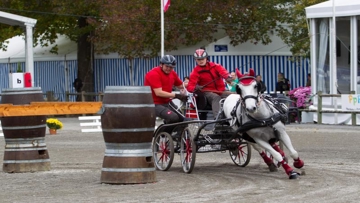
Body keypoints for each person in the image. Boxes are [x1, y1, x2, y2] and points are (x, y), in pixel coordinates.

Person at [187, 48, 232, 120]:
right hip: (206, 92)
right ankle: (218, 120)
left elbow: (224, 73)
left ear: (206, 58)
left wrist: (228, 77)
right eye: (198, 59)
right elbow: (189, 87)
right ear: (195, 60)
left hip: (221, 91)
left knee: (234, 95)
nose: (201, 61)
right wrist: (196, 87)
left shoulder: (215, 66)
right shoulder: (195, 72)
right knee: (216, 98)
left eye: (202, 59)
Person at [144, 55, 188, 124]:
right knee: (173, 117)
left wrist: (194, 84)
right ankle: (162, 134)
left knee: (181, 118)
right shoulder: (153, 74)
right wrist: (176, 95)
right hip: (154, 104)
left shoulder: (172, 73)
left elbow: (180, 85)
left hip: (167, 102)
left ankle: (178, 134)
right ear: (161, 64)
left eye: (171, 67)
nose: (169, 69)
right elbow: (158, 93)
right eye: (167, 66)